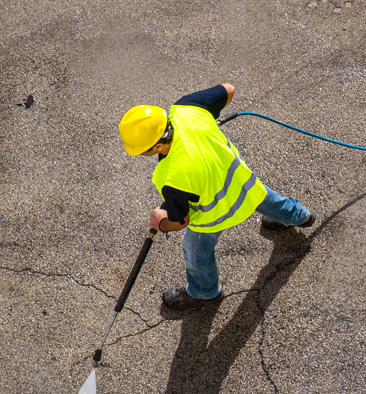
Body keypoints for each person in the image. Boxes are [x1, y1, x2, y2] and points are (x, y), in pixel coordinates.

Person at [117, 83, 315, 311]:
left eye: (142, 150)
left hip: (212, 214)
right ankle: (300, 216)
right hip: (243, 183)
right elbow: (228, 89)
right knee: (267, 199)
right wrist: (207, 122)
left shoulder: (171, 176)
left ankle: (204, 292)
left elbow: (180, 221)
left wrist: (161, 222)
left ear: (159, 145)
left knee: (195, 251)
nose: (141, 154)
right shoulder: (186, 108)